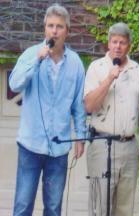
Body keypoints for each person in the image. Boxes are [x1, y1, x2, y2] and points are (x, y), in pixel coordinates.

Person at [8, 4, 86, 216]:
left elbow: (78, 104)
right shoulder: (31, 54)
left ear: (67, 31)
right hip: (30, 146)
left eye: (59, 26)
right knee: (23, 206)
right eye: (50, 26)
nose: (54, 31)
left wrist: (80, 136)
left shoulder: (76, 64)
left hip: (58, 148)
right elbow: (14, 84)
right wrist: (37, 60)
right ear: (45, 29)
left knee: (53, 208)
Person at [84, 22, 139, 216]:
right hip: (101, 144)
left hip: (129, 147)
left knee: (124, 208)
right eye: (114, 42)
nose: (117, 47)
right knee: (100, 206)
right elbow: (89, 105)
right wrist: (109, 79)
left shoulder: (136, 69)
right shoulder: (97, 68)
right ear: (108, 43)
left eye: (122, 42)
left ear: (128, 45)